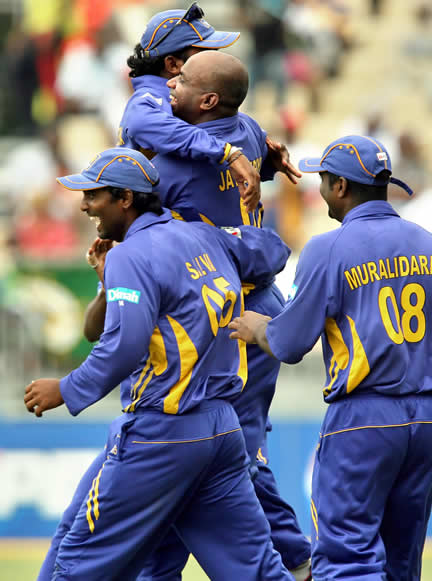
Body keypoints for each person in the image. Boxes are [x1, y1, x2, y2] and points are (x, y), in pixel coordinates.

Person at [86, 50, 311, 581]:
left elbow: (135, 200)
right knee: (223, 451)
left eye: (181, 77)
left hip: (217, 317)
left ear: (207, 99)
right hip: (253, 299)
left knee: (221, 449)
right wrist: (261, 161)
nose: (170, 84)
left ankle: (297, 562)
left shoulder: (172, 163)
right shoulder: (250, 132)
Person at [24, 147, 294, 581]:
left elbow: (123, 345)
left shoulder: (134, 255)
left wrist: (67, 389)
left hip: (162, 431)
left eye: (93, 195)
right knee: (255, 572)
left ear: (125, 199)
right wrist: (245, 220)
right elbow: (273, 253)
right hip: (223, 431)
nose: (84, 204)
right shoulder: (200, 235)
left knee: (77, 563)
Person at [229, 134, 432, 581]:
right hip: (427, 418)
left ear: (342, 188)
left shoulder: (327, 249)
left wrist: (258, 328)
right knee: (402, 562)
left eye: (324, 180)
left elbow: (290, 344)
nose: (321, 189)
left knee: (346, 557)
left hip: (363, 415)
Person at [117, 2, 261, 213]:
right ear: (173, 65)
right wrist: (227, 152)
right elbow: (141, 125)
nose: (216, 57)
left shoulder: (187, 101)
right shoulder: (149, 100)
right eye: (204, 52)